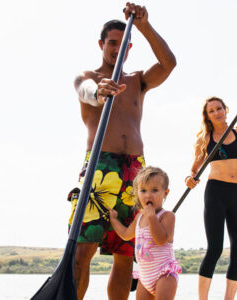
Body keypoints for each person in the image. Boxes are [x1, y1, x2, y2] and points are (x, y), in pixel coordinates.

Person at [67, 3, 176, 300]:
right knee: (83, 249)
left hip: (136, 172)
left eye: (122, 44)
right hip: (101, 168)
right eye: (111, 43)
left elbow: (169, 64)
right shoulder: (87, 76)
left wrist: (144, 26)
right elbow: (84, 91)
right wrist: (99, 91)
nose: (117, 48)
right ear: (102, 44)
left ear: (128, 48)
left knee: (127, 252)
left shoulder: (137, 81)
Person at [185, 80, 237, 300]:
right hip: (216, 192)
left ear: (225, 110)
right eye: (211, 110)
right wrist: (190, 178)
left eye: (219, 108)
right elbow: (194, 170)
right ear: (208, 115)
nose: (216, 112)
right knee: (215, 248)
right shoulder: (204, 139)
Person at [109, 166, 181, 300]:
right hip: (145, 277)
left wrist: (152, 218)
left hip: (164, 274)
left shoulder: (167, 216)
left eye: (154, 190)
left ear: (165, 193)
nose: (148, 195)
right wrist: (113, 220)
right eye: (143, 190)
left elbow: (160, 240)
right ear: (137, 193)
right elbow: (125, 234)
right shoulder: (139, 217)